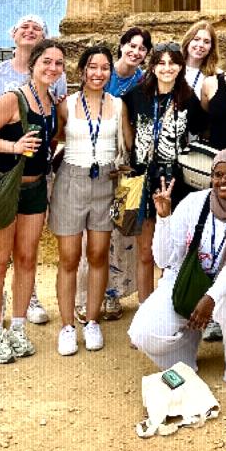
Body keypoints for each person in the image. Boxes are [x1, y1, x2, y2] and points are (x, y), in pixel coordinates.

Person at [128, 150, 226, 385]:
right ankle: (184, 358)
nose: (223, 180)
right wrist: (164, 219)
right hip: (187, 281)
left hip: (225, 289)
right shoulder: (195, 203)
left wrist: (210, 298)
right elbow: (164, 261)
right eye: (217, 174)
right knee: (143, 333)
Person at [0, 39, 68, 364]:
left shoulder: (52, 102)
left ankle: (18, 328)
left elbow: (53, 139)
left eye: (58, 63)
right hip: (3, 187)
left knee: (27, 259)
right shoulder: (13, 99)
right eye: (47, 62)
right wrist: (14, 148)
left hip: (35, 189)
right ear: (33, 64)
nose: (52, 68)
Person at [50, 44, 123, 356]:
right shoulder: (66, 105)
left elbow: (128, 146)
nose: (98, 73)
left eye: (104, 67)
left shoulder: (118, 106)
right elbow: (52, 140)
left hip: (105, 182)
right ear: (82, 71)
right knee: (68, 257)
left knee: (98, 254)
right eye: (92, 67)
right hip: (71, 179)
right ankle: (67, 325)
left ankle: (92, 320)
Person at [75, 26, 151, 324]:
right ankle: (84, 296)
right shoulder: (102, 72)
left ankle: (112, 294)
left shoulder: (144, 81)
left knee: (119, 232)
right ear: (121, 46)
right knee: (90, 232)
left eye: (142, 48)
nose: (136, 52)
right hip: (93, 159)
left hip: (122, 161)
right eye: (131, 45)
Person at [122, 42, 195, 303]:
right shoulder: (135, 95)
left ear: (180, 66)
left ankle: (166, 308)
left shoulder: (187, 97)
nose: (167, 68)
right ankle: (144, 308)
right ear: (152, 66)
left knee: (170, 250)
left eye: (173, 62)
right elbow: (126, 131)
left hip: (174, 182)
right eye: (161, 63)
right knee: (144, 251)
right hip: (140, 179)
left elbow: (197, 134)